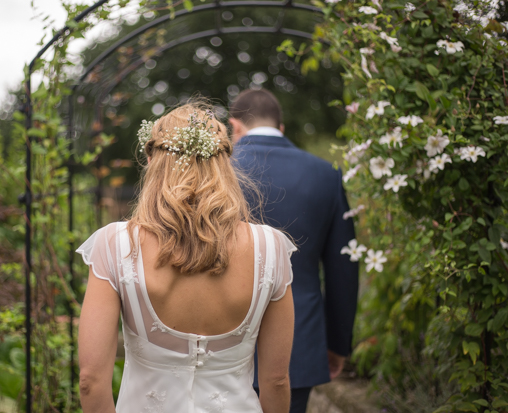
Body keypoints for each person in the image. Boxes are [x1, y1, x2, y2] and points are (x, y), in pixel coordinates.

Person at [77, 103, 297, 413]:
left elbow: (91, 381)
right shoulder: (271, 248)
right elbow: (276, 380)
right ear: (223, 164)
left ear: (152, 161)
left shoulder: (115, 245)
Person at [229, 89, 359, 413]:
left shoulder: (217, 170)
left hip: (221, 338)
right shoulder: (325, 174)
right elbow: (343, 267)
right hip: (299, 343)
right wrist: (337, 343)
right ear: (281, 127)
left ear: (234, 126)